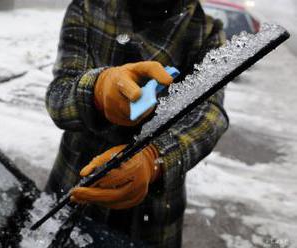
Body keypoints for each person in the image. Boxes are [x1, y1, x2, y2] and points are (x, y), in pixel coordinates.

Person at [45, 0, 229, 247]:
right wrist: (96, 90)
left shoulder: (207, 34)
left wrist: (155, 157)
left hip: (153, 217)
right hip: (73, 185)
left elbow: (209, 114)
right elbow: (59, 95)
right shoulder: (87, 8)